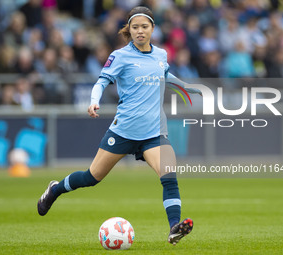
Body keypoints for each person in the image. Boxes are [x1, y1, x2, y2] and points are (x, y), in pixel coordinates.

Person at [37, 6, 201, 245]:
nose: (140, 31)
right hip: (124, 130)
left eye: (145, 26)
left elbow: (164, 75)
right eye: (135, 27)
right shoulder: (120, 56)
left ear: (153, 28)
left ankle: (173, 228)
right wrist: (94, 101)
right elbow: (101, 82)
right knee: (92, 177)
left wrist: (185, 86)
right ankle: (55, 189)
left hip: (154, 132)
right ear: (129, 30)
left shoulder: (161, 55)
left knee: (169, 176)